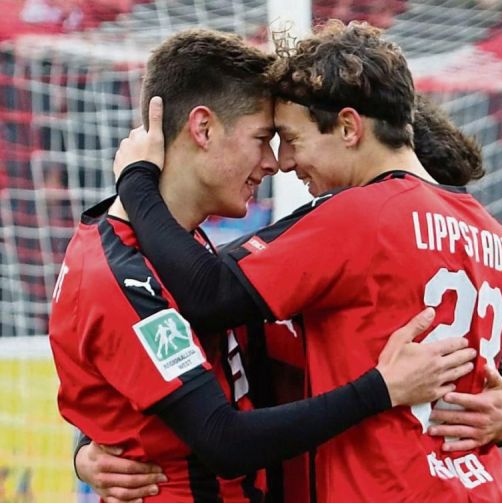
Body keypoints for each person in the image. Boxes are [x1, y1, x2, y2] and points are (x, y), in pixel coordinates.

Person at [49, 27, 479, 503]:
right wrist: (380, 389)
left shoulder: (192, 248)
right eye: (265, 138)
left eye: (285, 140)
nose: (277, 162)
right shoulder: (121, 271)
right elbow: (219, 436)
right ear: (203, 128)